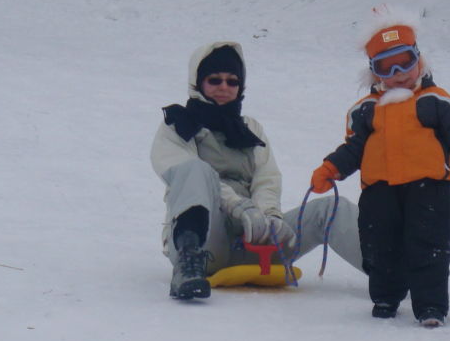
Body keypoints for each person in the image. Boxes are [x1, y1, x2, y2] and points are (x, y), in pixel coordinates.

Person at [310, 10, 450, 327]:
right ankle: (386, 296)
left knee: (429, 244)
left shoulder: (437, 101)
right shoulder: (364, 110)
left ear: (419, 59)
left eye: (405, 61)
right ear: (374, 72)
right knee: (379, 244)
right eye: (386, 66)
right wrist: (330, 168)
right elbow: (353, 148)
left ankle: (430, 305)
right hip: (378, 191)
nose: (399, 72)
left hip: (429, 188)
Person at [151, 41, 364, 300]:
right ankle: (187, 263)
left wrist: (270, 217)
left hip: (253, 240)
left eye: (232, 81)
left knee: (330, 209)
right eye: (214, 80)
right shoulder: (178, 126)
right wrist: (240, 208)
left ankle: (396, 272)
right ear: (198, 83)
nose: (223, 87)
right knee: (196, 170)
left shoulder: (250, 128)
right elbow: (184, 172)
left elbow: (266, 179)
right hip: (208, 245)